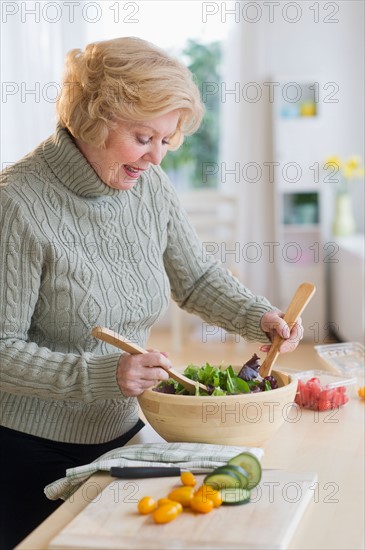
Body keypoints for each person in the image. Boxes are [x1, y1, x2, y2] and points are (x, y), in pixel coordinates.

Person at [0, 36, 303, 548]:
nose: (156, 156)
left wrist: (259, 316)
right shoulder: (16, 203)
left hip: (124, 435)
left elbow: (197, 277)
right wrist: (103, 374)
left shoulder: (148, 184)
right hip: (31, 451)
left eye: (167, 139)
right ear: (94, 120)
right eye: (144, 137)